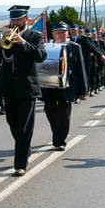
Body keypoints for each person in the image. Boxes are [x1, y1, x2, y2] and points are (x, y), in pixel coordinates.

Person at [0, 5, 47, 176]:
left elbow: (41, 55)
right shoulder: (5, 37)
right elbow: (0, 59)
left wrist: (24, 43)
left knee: (24, 127)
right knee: (13, 123)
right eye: (13, 19)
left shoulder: (35, 36)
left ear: (27, 19)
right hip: (9, 88)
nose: (15, 23)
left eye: (18, 19)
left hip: (27, 88)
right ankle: (25, 148)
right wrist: (1, 44)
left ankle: (20, 164)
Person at [39, 23, 87, 151]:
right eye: (57, 32)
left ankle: (59, 140)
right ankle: (57, 132)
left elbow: (80, 69)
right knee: (49, 110)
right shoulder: (45, 47)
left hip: (67, 86)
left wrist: (83, 90)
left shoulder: (74, 47)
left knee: (64, 114)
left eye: (63, 32)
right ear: (53, 34)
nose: (60, 34)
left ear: (68, 33)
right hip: (48, 87)